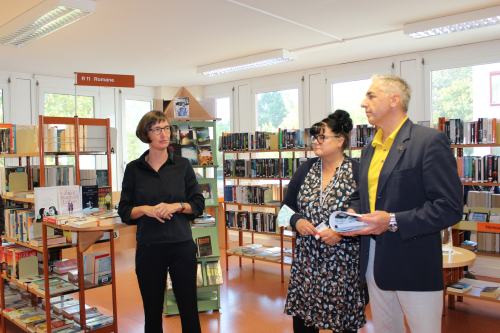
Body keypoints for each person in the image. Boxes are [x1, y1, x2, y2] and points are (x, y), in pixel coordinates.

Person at [343, 75, 463, 333]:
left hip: (413, 260)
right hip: (374, 257)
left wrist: (393, 221)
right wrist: (352, 212)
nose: (363, 103)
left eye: (371, 96)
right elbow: (363, 196)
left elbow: (450, 206)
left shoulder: (429, 141)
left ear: (394, 99)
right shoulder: (369, 149)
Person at [118, 110, 204, 333]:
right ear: (146, 134)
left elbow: (197, 204)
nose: (163, 134)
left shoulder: (183, 165)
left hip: (181, 245)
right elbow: (125, 211)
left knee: (189, 309)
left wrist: (176, 206)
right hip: (149, 247)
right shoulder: (133, 169)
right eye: (157, 129)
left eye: (166, 128)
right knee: (152, 312)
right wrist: (145, 210)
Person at [283, 110, 366, 333]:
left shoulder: (357, 172)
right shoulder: (305, 169)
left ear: (340, 141)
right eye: (314, 137)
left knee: (343, 323)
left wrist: (340, 231)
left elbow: (366, 215)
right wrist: (296, 221)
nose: (316, 142)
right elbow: (284, 210)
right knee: (304, 323)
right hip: (307, 263)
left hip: (343, 264)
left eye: (322, 137)